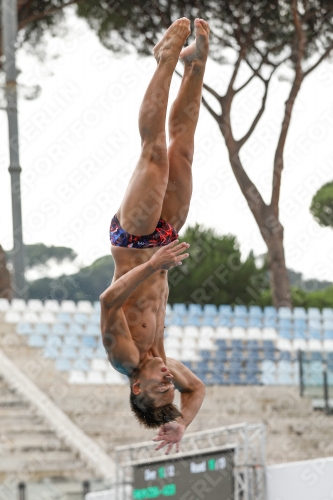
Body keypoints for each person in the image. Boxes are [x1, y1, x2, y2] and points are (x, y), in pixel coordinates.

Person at [100, 17, 209, 454]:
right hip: (163, 240)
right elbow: (197, 389)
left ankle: (165, 60)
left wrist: (153, 264)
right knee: (183, 148)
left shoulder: (125, 358)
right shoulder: (164, 364)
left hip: (134, 241)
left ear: (136, 390)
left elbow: (107, 301)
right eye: (170, 387)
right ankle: (195, 65)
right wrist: (181, 422)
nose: (169, 381)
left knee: (155, 153)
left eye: (160, 389)